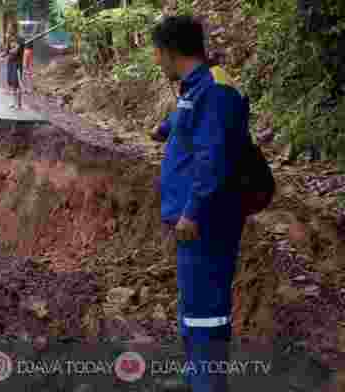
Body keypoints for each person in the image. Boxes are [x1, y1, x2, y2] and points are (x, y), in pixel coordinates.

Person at [151, 15, 251, 392]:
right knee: (194, 308)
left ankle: (207, 384)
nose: (155, 60)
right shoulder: (199, 88)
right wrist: (163, 129)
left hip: (207, 221)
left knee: (205, 313)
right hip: (198, 220)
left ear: (169, 52)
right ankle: (198, 378)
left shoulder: (215, 91)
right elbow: (187, 117)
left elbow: (213, 158)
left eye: (156, 53)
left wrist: (192, 211)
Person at [6, 35, 25, 110]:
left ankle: (19, 104)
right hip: (10, 64)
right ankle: (13, 102)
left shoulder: (20, 40)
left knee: (18, 84)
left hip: (17, 65)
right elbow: (7, 51)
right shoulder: (10, 39)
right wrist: (11, 49)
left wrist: (16, 47)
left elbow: (15, 52)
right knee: (12, 85)